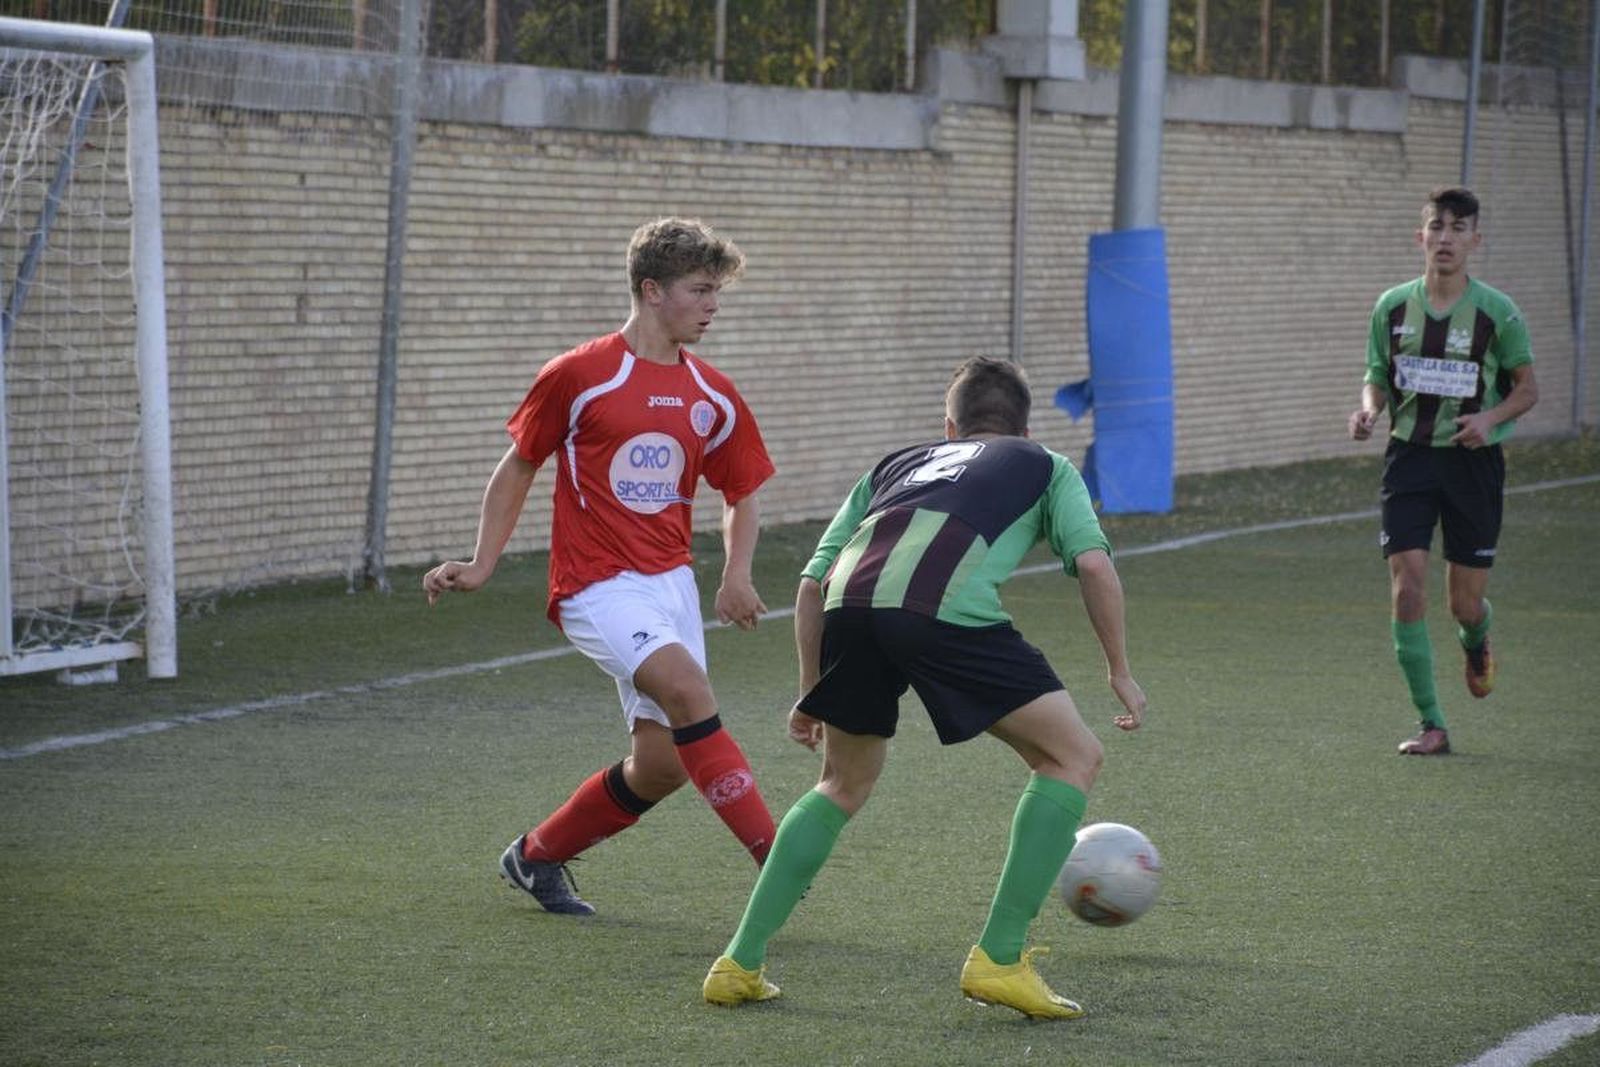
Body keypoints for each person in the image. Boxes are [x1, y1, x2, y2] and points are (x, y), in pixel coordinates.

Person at [701, 356, 1147, 1019]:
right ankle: (1000, 959)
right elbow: (1092, 564)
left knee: (840, 783)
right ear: (1023, 428)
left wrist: (810, 689)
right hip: (941, 611)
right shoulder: (1045, 464)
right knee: (1072, 756)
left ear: (950, 427)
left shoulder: (895, 465)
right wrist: (1119, 668)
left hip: (849, 608)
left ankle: (738, 964)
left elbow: (812, 583)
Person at [424, 217, 778, 914]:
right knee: (688, 690)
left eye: (717, 292)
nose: (713, 306)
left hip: (671, 586)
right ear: (652, 290)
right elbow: (520, 464)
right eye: (699, 290)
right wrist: (482, 561)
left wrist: (736, 573)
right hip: (594, 585)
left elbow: (742, 492)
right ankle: (778, 858)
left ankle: (536, 855)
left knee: (664, 765)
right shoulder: (579, 375)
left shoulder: (713, 393)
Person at [1348, 186, 1538, 756]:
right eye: (1437, 226)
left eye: (1458, 228)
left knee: (1464, 604)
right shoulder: (1391, 307)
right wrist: (1368, 409)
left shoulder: (1498, 313)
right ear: (1420, 236)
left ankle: (1476, 638)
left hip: (1473, 465)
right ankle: (1432, 722)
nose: (1446, 238)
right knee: (1407, 588)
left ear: (1475, 240)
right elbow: (1377, 375)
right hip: (1409, 459)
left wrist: (1490, 419)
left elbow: (1527, 390)